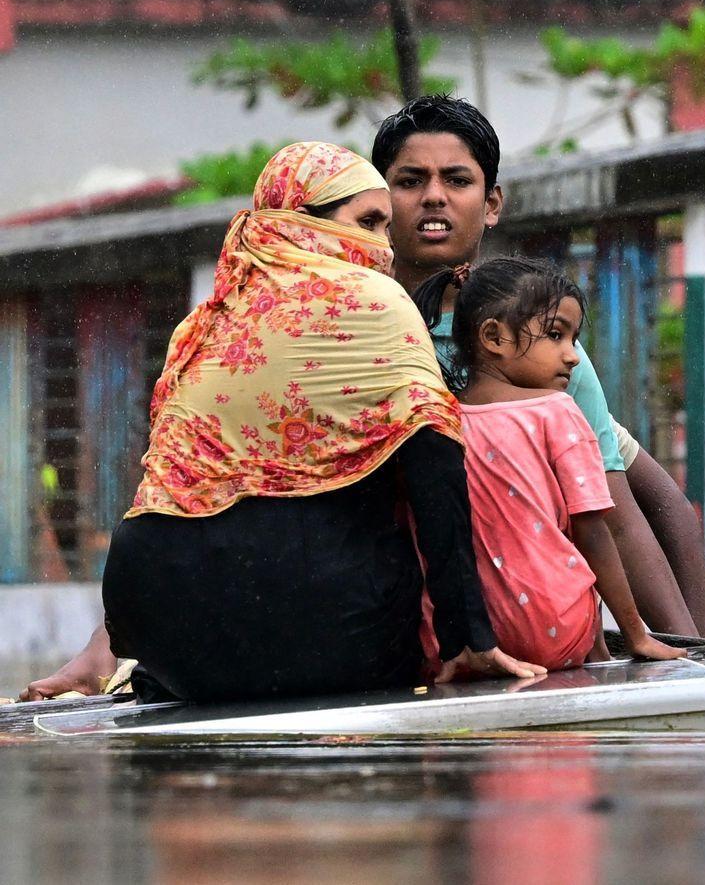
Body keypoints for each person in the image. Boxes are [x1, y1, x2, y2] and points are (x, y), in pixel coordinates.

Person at [34, 142, 545, 703]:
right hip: (321, 623)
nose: (382, 245)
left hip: (167, 634)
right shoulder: (374, 298)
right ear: (300, 222)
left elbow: (168, 497)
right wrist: (465, 637)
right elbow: (435, 467)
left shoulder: (204, 323)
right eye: (369, 222)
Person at [372, 95, 705, 637]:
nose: (433, 196)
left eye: (457, 181)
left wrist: (700, 668)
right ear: (380, 200)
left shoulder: (531, 341)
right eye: (411, 181)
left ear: (492, 204)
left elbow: (619, 515)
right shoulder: (351, 325)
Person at [418, 256, 686, 674]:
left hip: (457, 638)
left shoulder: (438, 420)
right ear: (494, 337)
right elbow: (593, 531)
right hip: (554, 629)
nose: (573, 356)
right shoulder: (556, 412)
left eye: (573, 339)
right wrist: (635, 635)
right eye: (556, 335)